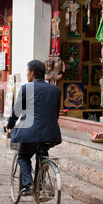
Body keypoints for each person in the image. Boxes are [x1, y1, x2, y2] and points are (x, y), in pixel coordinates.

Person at [6, 60, 62, 196]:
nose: (26, 75)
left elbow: (17, 111)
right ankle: (40, 184)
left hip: (30, 131)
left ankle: (29, 184)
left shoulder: (27, 88)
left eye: (27, 72)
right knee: (42, 153)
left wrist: (9, 125)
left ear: (32, 73)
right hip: (51, 132)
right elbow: (55, 113)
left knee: (23, 156)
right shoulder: (55, 89)